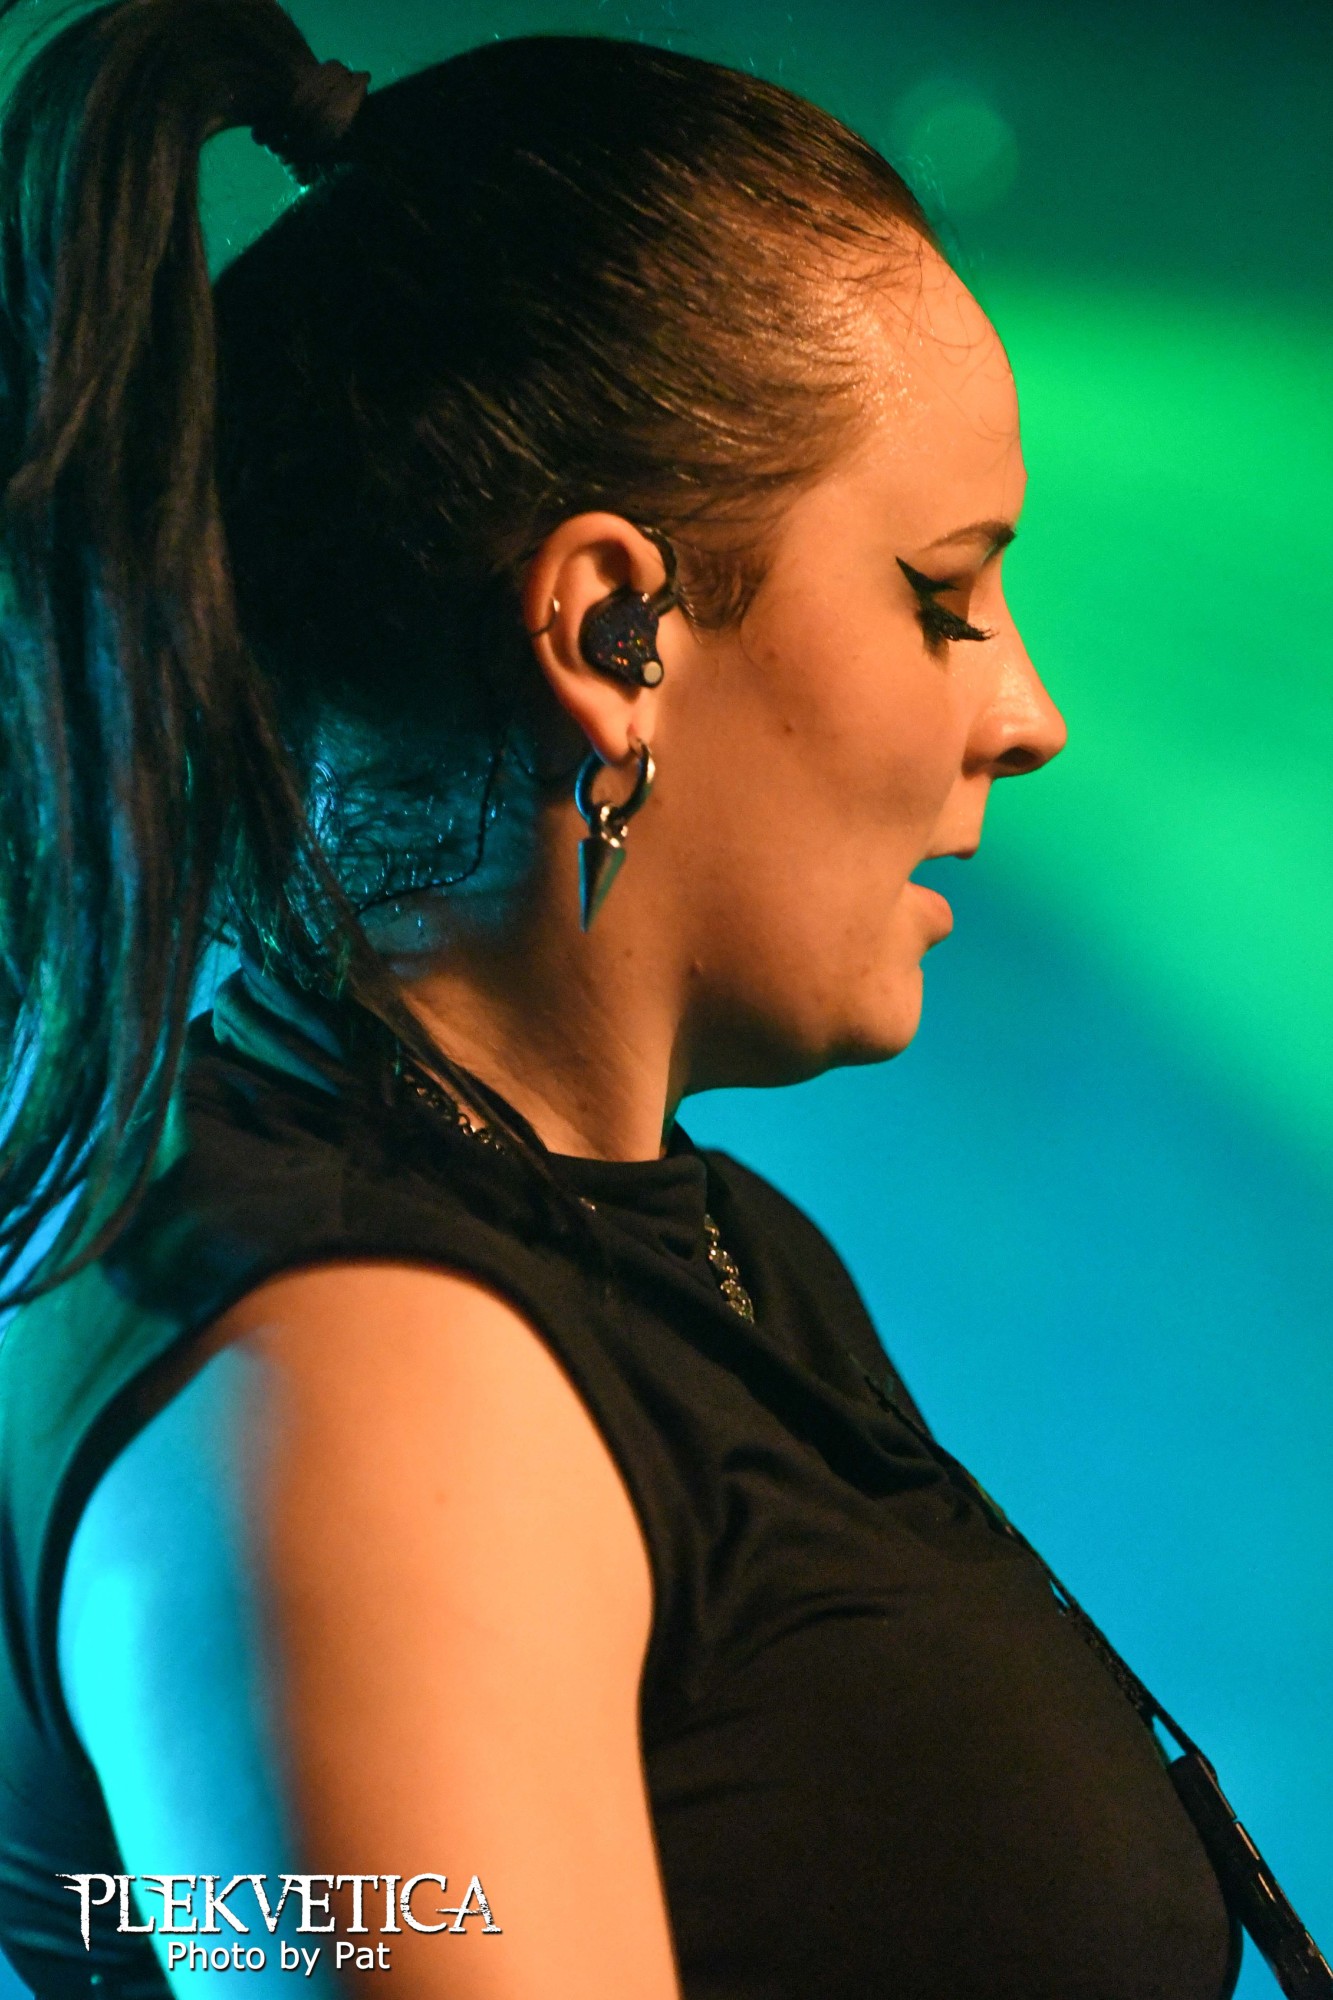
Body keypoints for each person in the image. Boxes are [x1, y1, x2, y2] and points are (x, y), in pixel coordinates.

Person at [0, 3, 1244, 1997]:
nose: (1025, 713)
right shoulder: (361, 1378)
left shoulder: (708, 1251)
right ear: (611, 632)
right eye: (941, 594)